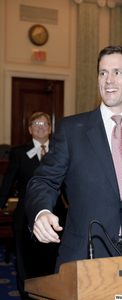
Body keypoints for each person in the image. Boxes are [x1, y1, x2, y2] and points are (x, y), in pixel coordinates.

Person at [25, 45, 122, 274]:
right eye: (102, 73)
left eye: (117, 72)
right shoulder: (72, 129)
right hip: (82, 255)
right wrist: (41, 212)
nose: (108, 80)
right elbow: (43, 181)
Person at [0, 112, 66, 300]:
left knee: (53, 262)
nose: (40, 127)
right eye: (35, 123)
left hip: (57, 217)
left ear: (50, 128)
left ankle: (52, 294)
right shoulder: (19, 152)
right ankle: (26, 296)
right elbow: (8, 182)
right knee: (25, 264)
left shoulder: (60, 149)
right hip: (24, 218)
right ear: (29, 129)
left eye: (44, 123)